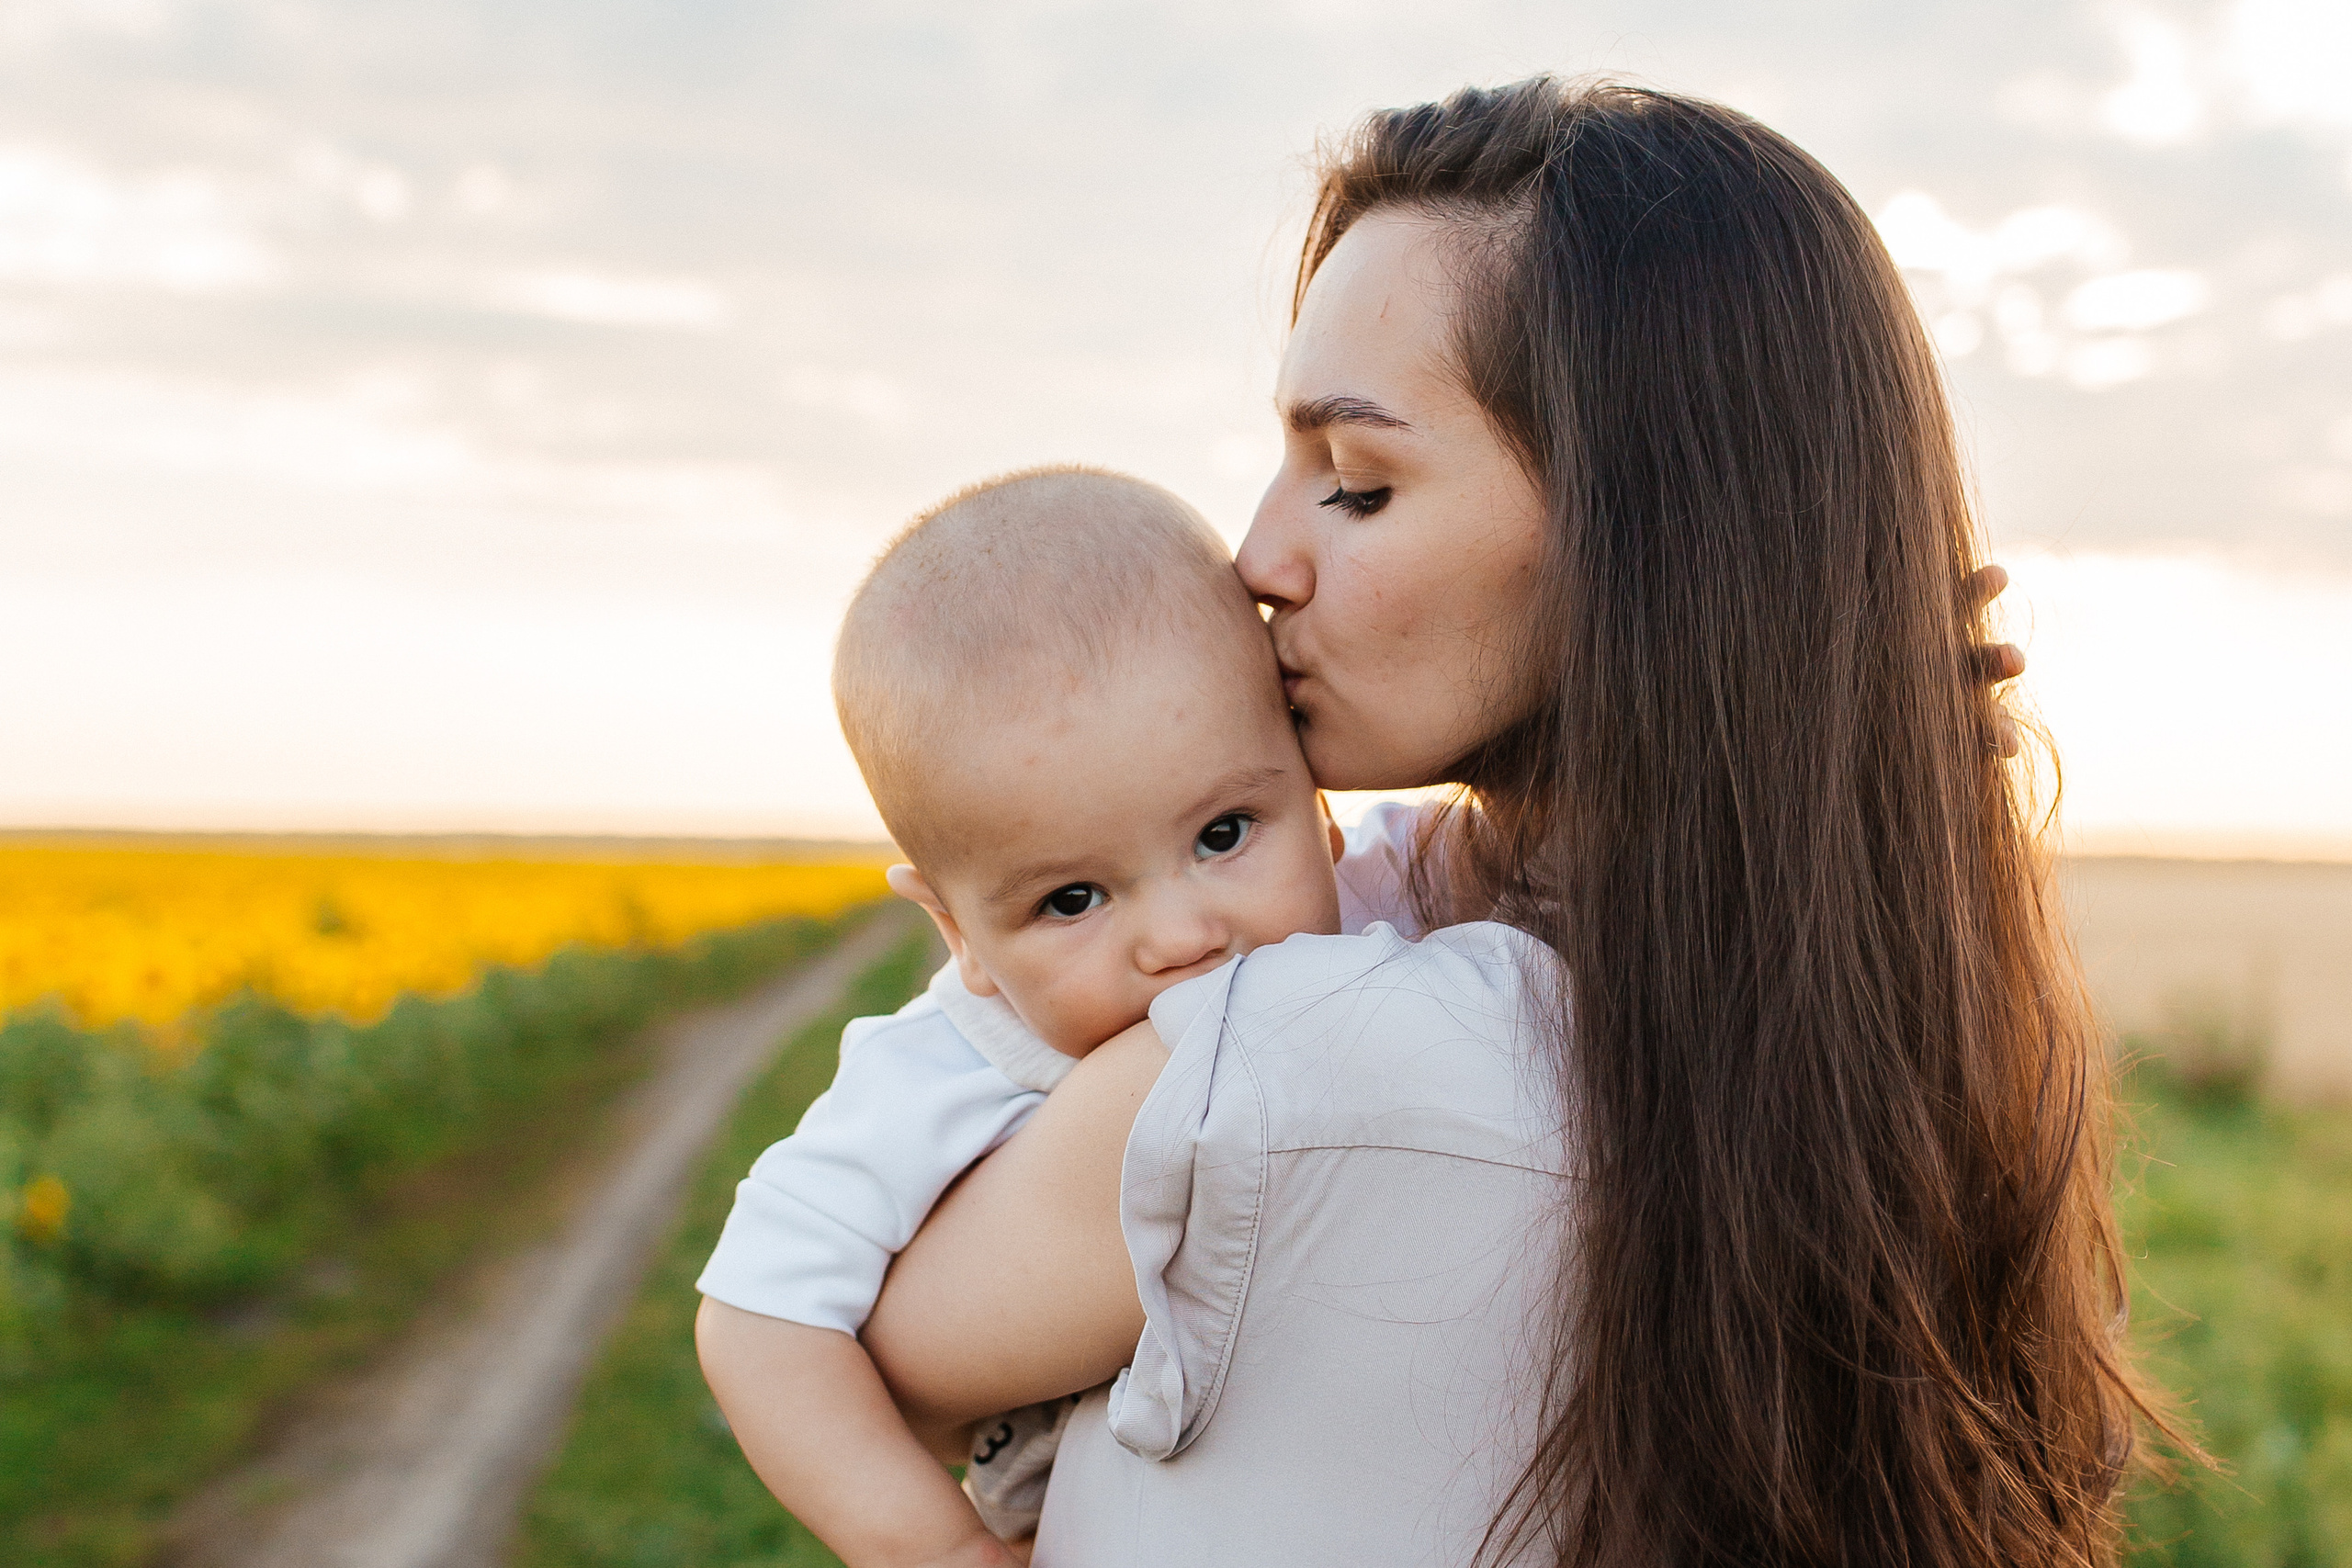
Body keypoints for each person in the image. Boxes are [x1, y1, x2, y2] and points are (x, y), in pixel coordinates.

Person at [845, 77, 2162, 1567]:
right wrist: (1831, 684)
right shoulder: (1913, 1049)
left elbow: (871, 1341)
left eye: (1356, 482)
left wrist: (1041, 894)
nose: (1258, 555)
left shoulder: (1283, 1067)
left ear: (1651, 539)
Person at [696, 466, 1374, 1564]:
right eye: (1071, 900)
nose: (1180, 938)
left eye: (1223, 835)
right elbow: (757, 1315)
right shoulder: (944, 1069)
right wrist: (935, 1546)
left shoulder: (1392, 924)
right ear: (957, 933)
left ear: (1320, 802)